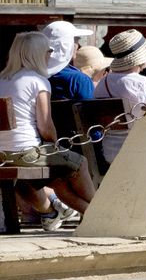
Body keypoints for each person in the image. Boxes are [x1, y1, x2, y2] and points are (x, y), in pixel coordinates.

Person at [0, 31, 94, 227]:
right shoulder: (38, 81)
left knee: (60, 179)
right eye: (48, 50)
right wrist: (55, 143)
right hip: (27, 153)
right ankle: (98, 209)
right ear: (36, 53)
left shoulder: (2, 79)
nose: (50, 54)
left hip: (2, 155)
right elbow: (45, 126)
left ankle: (92, 213)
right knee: (80, 163)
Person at [97, 30, 146, 165]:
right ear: (141, 57)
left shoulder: (103, 82)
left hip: (109, 151)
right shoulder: (143, 83)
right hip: (138, 151)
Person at [42, 20, 95, 102]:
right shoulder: (79, 79)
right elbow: (90, 111)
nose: (78, 46)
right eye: (76, 41)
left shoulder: (34, 74)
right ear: (67, 46)